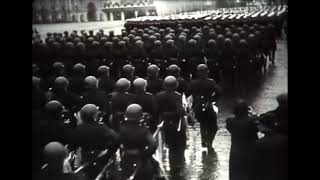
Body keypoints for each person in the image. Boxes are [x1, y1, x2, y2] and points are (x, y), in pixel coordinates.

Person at [119, 104, 158, 180]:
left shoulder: (122, 130)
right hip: (142, 162)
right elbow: (153, 145)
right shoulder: (143, 130)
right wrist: (144, 155)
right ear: (140, 115)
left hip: (126, 160)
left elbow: (115, 144)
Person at [190, 64, 221, 151]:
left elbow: (190, 93)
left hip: (197, 107)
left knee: (203, 124)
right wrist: (212, 100)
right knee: (214, 127)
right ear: (207, 72)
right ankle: (209, 142)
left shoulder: (193, 82)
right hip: (208, 106)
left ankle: (203, 141)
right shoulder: (211, 82)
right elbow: (219, 92)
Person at [226, 99, 258, 180]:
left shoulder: (230, 121)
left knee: (236, 173)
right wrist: (253, 114)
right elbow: (258, 127)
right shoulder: (252, 121)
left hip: (235, 151)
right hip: (250, 150)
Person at [251, 112, 288, 180]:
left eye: (259, 124)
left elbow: (255, 167)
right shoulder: (284, 139)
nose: (257, 126)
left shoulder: (259, 144)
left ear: (264, 126)